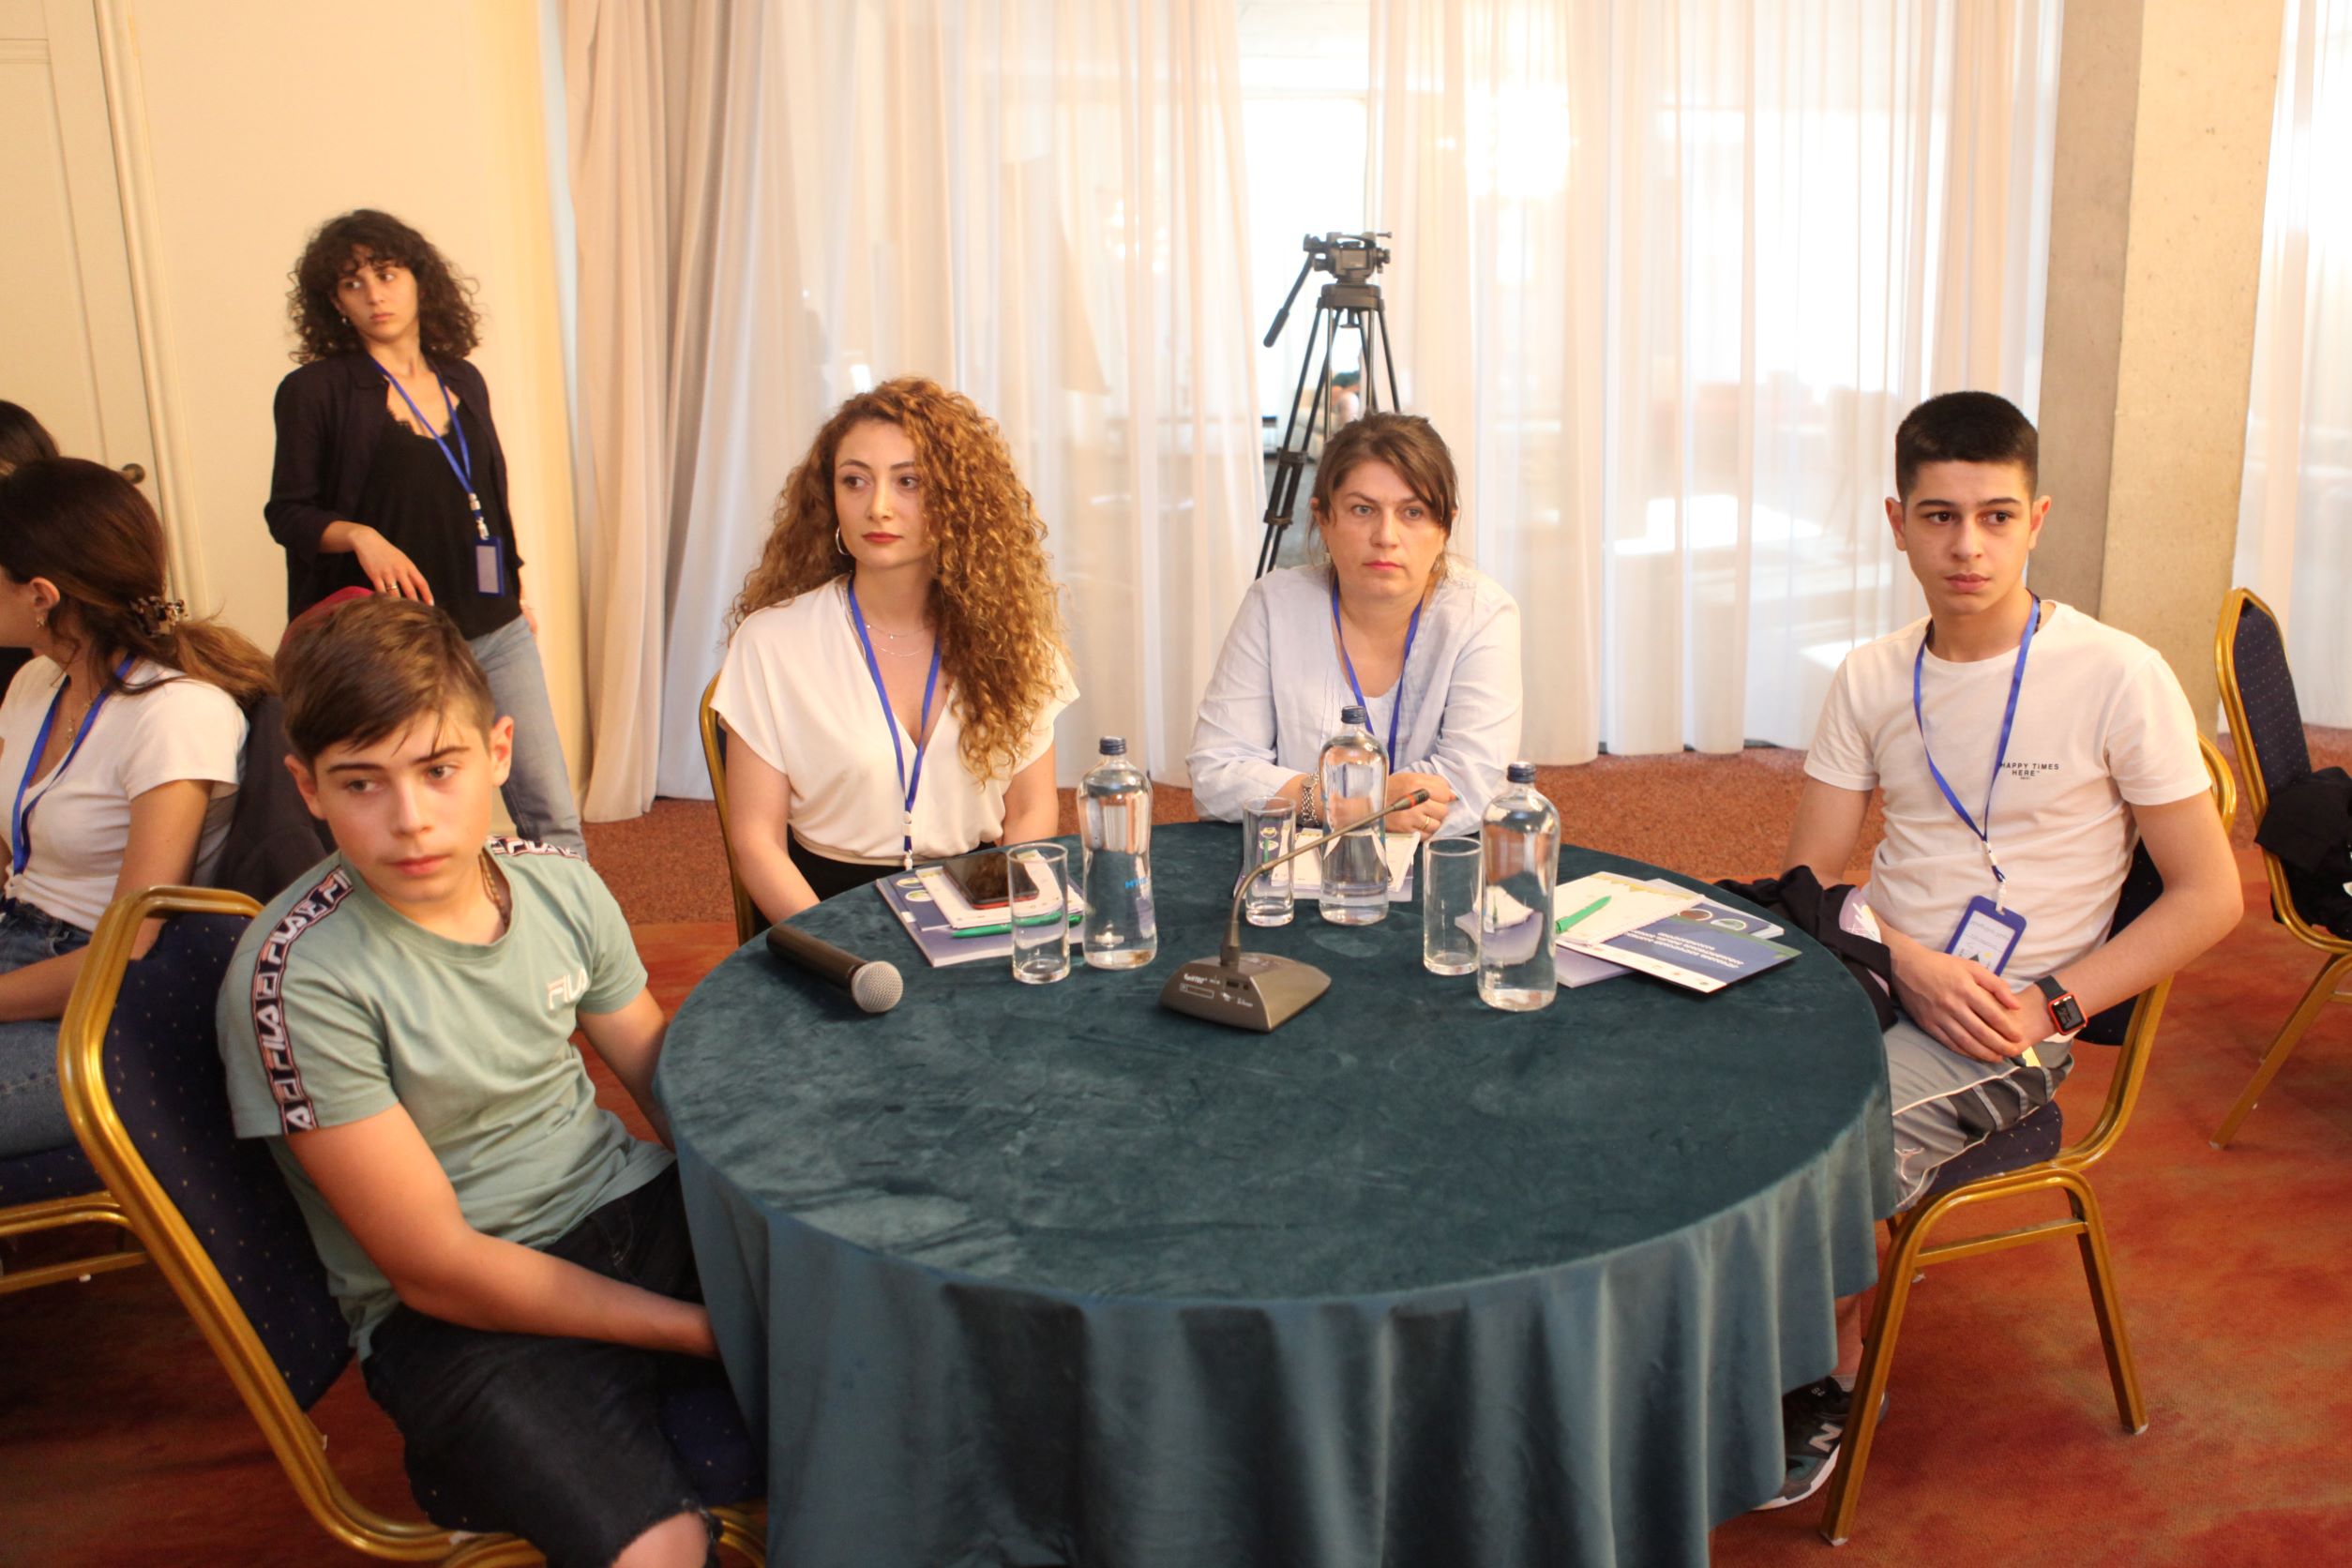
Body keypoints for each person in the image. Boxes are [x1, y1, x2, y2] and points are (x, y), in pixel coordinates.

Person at [1759, 391, 2241, 1508]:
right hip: (1877, 969)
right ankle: (1733, 1326)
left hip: (2009, 1023)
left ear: (2038, 520)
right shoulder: (1873, 675)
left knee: (1830, 1142)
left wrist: (2054, 1007)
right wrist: (1909, 961)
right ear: (1897, 523)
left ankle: (1828, 1373)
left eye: (1995, 516)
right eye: (1939, 517)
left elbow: (2212, 894)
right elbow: (1811, 881)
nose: (1967, 547)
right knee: (1701, 1079)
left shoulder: (2118, 673)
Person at [216, 596, 722, 1568]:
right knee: (658, 1549)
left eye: (438, 770)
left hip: (627, 1208)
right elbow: (434, 1265)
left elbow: (664, 1085)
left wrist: (781, 1225)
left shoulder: (560, 886)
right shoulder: (299, 977)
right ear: (307, 786)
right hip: (458, 1316)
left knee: (893, 1358)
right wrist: (703, 1329)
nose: (410, 820)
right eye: (361, 783)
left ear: (498, 753)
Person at [264, 209, 583, 854]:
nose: (374, 295)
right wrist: (360, 535)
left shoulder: (462, 378)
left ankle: (578, 918)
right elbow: (287, 513)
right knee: (415, 821)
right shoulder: (315, 390)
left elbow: (487, 497)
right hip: (392, 641)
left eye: (386, 275)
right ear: (334, 302)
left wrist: (510, 587)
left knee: (551, 810)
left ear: (419, 280)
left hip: (494, 626)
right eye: (352, 283)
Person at [713, 377, 1075, 921]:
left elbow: (1030, 809)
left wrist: (1008, 923)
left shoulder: (1011, 639)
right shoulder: (772, 642)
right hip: (824, 912)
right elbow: (756, 844)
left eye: (909, 481)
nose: (878, 507)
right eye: (855, 481)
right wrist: (839, 954)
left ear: (957, 500)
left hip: (980, 903)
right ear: (830, 497)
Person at [0, 459, 268, 1160]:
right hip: (18, 944)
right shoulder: (34, 684)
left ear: (41, 596)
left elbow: (128, 947)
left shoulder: (176, 715)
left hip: (104, 1000)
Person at [1189, 412, 1521, 839]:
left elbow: (1473, 790)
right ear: (1324, 519)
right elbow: (1215, 773)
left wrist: (1318, 800)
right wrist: (1349, 804)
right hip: (1296, 863)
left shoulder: (1482, 614)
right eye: (1363, 509)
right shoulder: (1273, 604)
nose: (1386, 536)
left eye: (1413, 512)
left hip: (1437, 862)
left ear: (1445, 527)